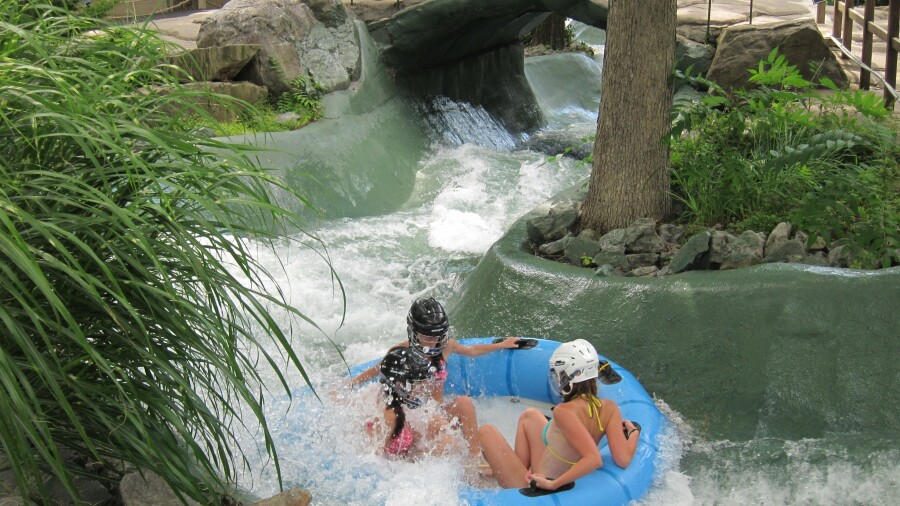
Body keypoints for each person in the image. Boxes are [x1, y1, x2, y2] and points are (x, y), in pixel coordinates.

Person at [351, 297, 519, 461]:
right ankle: (430, 465)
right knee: (445, 434)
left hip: (435, 409)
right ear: (414, 333)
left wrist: (501, 345)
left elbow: (472, 350)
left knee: (464, 403)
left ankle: (475, 460)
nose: (433, 342)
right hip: (414, 414)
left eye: (437, 336)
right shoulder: (402, 352)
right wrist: (350, 384)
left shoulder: (445, 347)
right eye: (428, 337)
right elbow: (379, 370)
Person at [478, 339, 640, 490]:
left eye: (558, 374)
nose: (556, 379)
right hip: (545, 470)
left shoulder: (565, 412)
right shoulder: (610, 408)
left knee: (486, 433)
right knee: (530, 416)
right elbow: (623, 459)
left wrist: (553, 484)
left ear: (568, 377)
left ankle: (510, 476)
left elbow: (593, 459)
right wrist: (633, 434)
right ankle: (508, 467)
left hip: (537, 485)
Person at [367, 346, 455, 458]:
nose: (423, 388)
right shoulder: (388, 415)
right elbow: (374, 459)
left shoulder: (397, 403)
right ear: (400, 385)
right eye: (419, 383)